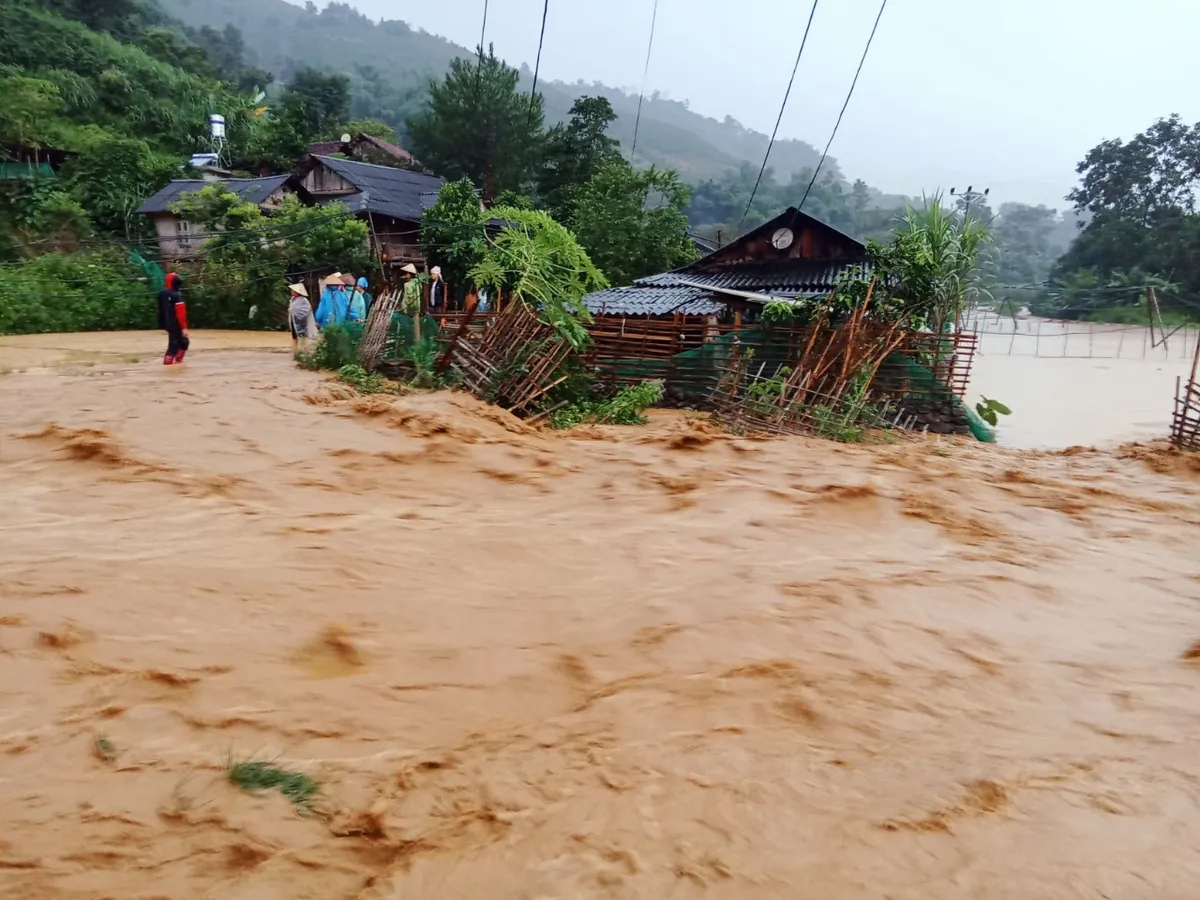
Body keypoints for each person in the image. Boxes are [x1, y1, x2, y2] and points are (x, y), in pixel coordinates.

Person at [157, 272, 189, 366]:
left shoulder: (162, 294)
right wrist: (184, 327)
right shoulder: (177, 295)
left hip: (167, 323)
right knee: (174, 346)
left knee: (183, 342)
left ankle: (178, 362)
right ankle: (169, 365)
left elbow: (160, 309)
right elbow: (181, 312)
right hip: (177, 323)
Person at [288, 282, 313, 351]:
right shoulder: (293, 299)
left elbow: (308, 308)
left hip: (301, 321)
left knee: (302, 336)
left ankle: (304, 350)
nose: (291, 291)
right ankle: (295, 351)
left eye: (293, 290)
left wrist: (300, 314)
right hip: (293, 320)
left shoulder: (304, 300)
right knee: (294, 336)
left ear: (297, 292)